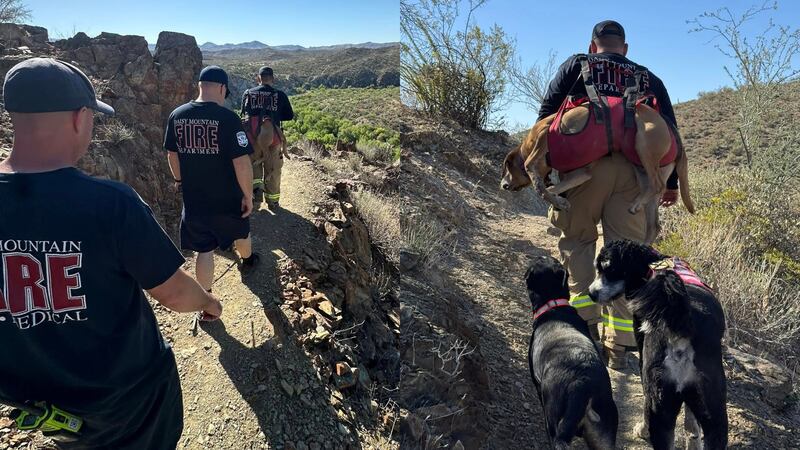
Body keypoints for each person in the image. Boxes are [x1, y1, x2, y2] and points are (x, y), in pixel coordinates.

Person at [0, 57, 222, 449]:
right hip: (128, 400)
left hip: (45, 406)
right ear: (79, 117)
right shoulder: (109, 204)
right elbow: (172, 293)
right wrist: (208, 301)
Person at [537, 20, 680, 369]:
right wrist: (671, 184)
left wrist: (543, 173)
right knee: (624, 259)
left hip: (583, 174)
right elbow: (671, 134)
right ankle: (620, 346)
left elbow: (544, 120)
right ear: (625, 48)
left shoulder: (576, 65)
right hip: (633, 177)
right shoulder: (648, 77)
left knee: (578, 243)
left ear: (593, 45)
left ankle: (584, 331)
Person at [164, 66, 261, 289]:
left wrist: (179, 181)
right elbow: (242, 162)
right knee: (241, 232)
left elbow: (172, 154)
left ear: (200, 86)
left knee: (204, 250)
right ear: (221, 88)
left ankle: (206, 301)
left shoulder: (177, 116)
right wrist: (247, 195)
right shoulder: (228, 118)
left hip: (195, 198)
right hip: (228, 197)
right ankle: (247, 262)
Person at [240, 66, 294, 209]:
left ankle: (256, 197)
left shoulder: (248, 93)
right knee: (273, 168)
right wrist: (274, 114)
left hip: (252, 136)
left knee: (254, 165)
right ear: (273, 79)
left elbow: (243, 113)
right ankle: (273, 201)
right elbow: (289, 116)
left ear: (258, 79)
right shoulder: (279, 94)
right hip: (274, 136)